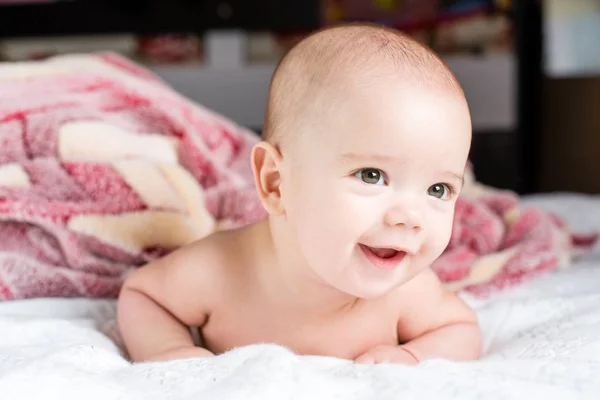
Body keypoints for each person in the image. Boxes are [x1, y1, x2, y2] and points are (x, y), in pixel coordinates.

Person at [117, 22, 482, 365]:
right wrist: (169, 350)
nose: (409, 217)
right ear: (276, 182)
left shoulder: (406, 293)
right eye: (372, 175)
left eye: (439, 189)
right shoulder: (219, 272)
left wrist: (413, 357)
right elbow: (144, 297)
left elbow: (460, 329)